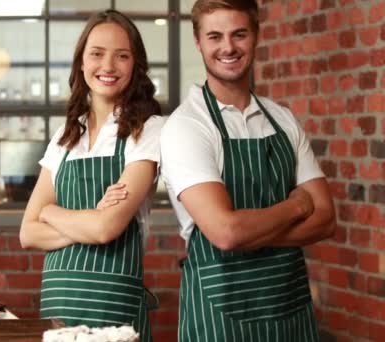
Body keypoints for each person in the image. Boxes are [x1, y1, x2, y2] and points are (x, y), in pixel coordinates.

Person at [160, 0, 336, 341]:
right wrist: (295, 207)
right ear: (198, 41)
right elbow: (225, 233)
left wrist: (247, 234)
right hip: (220, 318)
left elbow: (327, 218)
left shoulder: (283, 120)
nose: (228, 47)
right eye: (215, 36)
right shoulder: (188, 126)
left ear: (256, 36)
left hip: (291, 310)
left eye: (239, 34)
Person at [19, 9, 164, 342]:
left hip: (114, 311)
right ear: (81, 63)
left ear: (136, 65)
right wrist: (91, 219)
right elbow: (28, 232)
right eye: (97, 54)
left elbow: (106, 228)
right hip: (58, 306)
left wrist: (50, 213)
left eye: (122, 56)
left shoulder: (149, 130)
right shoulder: (66, 135)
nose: (108, 66)